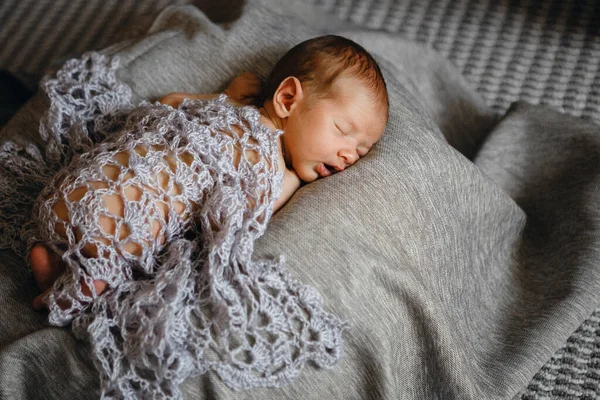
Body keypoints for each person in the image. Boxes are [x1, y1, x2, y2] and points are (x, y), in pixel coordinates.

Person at [28, 34, 389, 310]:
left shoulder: (226, 107)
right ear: (288, 99)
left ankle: (54, 258)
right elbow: (253, 214)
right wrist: (292, 178)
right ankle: (80, 284)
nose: (347, 156)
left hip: (74, 190)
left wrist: (225, 95)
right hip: (120, 226)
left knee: (135, 194)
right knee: (137, 243)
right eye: (343, 131)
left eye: (361, 151)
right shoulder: (275, 170)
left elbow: (171, 101)